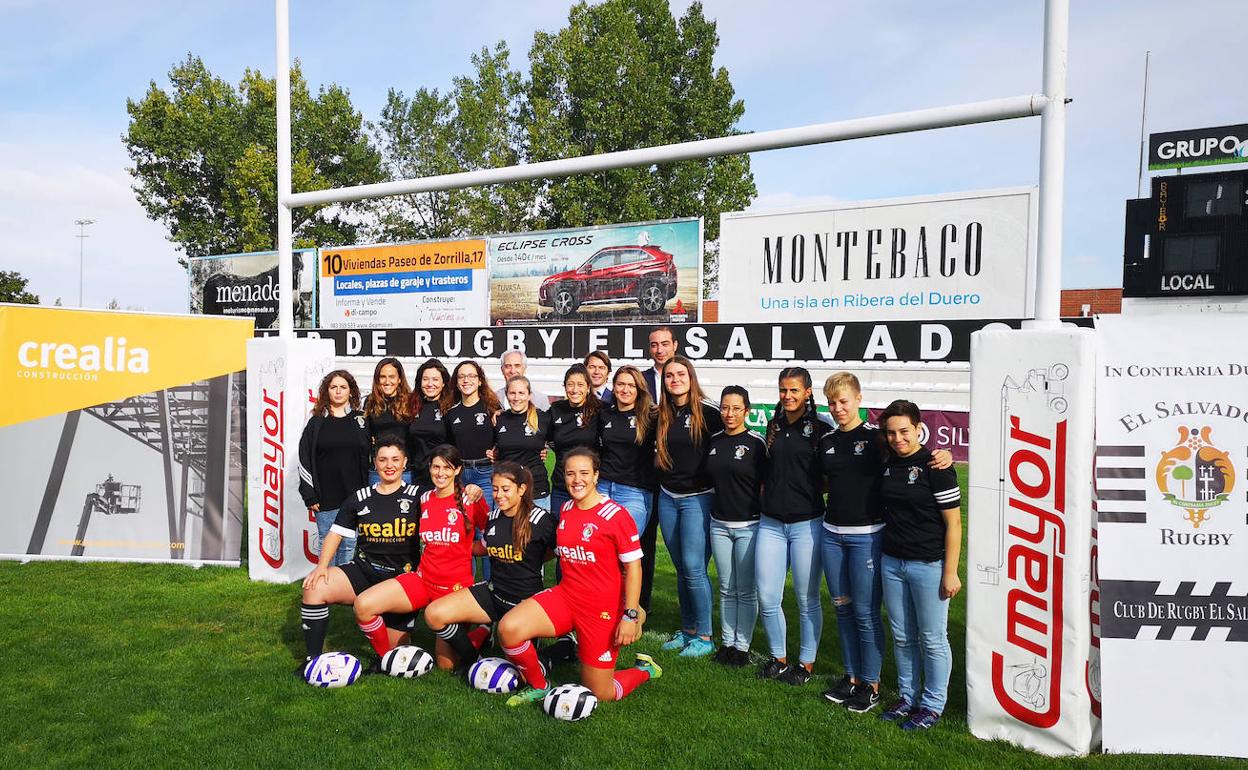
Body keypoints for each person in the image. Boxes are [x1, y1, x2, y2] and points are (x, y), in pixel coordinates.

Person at [818, 373, 953, 713]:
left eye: (844, 401)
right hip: (832, 535)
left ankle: (873, 684)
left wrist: (944, 454)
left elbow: (911, 447)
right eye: (832, 403)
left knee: (866, 614)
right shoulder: (828, 440)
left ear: (859, 399)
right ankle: (852, 677)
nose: (838, 408)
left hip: (868, 538)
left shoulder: (877, 440)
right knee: (843, 609)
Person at [498, 448, 661, 707]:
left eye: (584, 473)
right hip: (566, 596)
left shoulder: (616, 516)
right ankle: (540, 685)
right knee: (509, 629)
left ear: (596, 475)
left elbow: (634, 568)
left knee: (600, 693)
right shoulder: (566, 509)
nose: (577, 480)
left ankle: (645, 670)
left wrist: (630, 614)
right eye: (570, 473)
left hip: (600, 610)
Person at [350, 444, 489, 669]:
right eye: (436, 467)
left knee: (446, 666)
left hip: (454, 590)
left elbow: (492, 534)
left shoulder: (470, 499)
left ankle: (483, 631)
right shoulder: (424, 498)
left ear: (457, 470)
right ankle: (386, 661)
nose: (440, 473)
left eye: (447, 467)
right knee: (363, 605)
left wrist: (469, 548)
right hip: (423, 581)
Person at [875, 400, 962, 732]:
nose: (898, 439)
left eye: (904, 432)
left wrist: (950, 571)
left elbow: (954, 524)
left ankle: (932, 704)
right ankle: (907, 697)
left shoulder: (936, 466)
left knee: (932, 638)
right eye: (892, 433)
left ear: (918, 428)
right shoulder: (888, 462)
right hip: (892, 561)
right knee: (901, 635)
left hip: (929, 564)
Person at [423, 462, 557, 671]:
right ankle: (472, 655)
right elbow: (482, 548)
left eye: (505, 489)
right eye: (494, 489)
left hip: (524, 602)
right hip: (494, 594)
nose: (499, 495)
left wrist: (533, 558)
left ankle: (563, 650)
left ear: (521, 489)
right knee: (434, 614)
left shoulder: (541, 520)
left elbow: (560, 553)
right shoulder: (494, 518)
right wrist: (449, 543)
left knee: (516, 675)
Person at [299, 437, 422, 664]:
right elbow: (335, 533)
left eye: (395, 459)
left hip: (401, 581)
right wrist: (321, 567)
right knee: (314, 587)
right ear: (374, 463)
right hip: (365, 572)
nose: (389, 465)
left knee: (398, 654)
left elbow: (449, 502)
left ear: (405, 462)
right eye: (383, 460)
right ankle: (312, 660)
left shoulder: (419, 496)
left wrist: (472, 490)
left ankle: (385, 651)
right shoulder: (360, 498)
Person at [757, 367, 831, 686]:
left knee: (806, 598)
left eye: (794, 391)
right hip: (770, 523)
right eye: (783, 390)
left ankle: (806, 663)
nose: (788, 397)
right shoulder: (772, 426)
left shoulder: (820, 428)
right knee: (767, 595)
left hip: (807, 524)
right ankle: (779, 658)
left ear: (808, 392)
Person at [654, 355, 722, 658]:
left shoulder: (709, 413)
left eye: (680, 374)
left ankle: (705, 636)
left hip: (699, 498)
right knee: (682, 567)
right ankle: (688, 630)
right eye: (669, 376)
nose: (675, 380)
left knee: (695, 568)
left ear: (690, 377)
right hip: (668, 497)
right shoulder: (663, 413)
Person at [704, 385, 765, 667]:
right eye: (725, 408)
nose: (729, 414)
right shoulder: (714, 440)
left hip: (749, 525)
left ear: (747, 411)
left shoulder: (756, 442)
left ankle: (743, 646)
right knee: (727, 587)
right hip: (719, 524)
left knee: (745, 589)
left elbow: (767, 484)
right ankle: (727, 643)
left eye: (736, 408)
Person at [297, 370, 371, 567]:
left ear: (351, 391)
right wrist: (309, 495)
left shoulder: (361, 420)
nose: (338, 391)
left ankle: (342, 585)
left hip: (354, 494)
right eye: (333, 387)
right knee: (327, 541)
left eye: (343, 387)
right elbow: (304, 457)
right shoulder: (317, 422)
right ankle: (324, 584)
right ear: (326, 391)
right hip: (325, 496)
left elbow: (369, 457)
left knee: (348, 543)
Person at [445, 359, 501, 509]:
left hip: (485, 472)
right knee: (463, 521)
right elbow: (449, 444)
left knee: (484, 524)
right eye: (461, 377)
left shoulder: (492, 408)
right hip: (460, 473)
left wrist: (497, 450)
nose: (466, 380)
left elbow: (504, 436)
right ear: (456, 383)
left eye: (471, 376)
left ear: (480, 381)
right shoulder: (451, 412)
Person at [547, 364, 602, 517]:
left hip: (589, 486)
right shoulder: (556, 409)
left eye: (580, 384)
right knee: (560, 533)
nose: (575, 389)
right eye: (570, 384)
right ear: (564, 387)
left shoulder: (599, 410)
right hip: (561, 485)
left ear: (588, 387)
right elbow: (537, 430)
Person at [492, 375, 552, 513]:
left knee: (537, 533)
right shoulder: (499, 419)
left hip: (536, 489)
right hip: (506, 491)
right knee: (505, 533)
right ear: (506, 395)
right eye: (512, 393)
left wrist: (545, 451)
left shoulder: (543, 418)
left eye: (521, 393)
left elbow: (557, 442)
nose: (516, 397)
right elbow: (493, 449)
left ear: (529, 395)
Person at [363, 357, 413, 485]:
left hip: (405, 470)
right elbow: (366, 437)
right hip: (378, 470)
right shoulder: (370, 402)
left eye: (392, 376)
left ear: (399, 379)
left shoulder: (410, 401)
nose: (387, 381)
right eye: (382, 377)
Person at [406, 358, 453, 488]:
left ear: (443, 383)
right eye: (425, 379)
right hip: (416, 474)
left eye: (435, 379)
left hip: (442, 475)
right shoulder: (412, 405)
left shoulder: (451, 407)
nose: (430, 384)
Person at [641, 326, 677, 405]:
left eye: (665, 344)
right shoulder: (640, 379)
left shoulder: (686, 377)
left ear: (675, 345)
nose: (659, 350)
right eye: (654, 345)